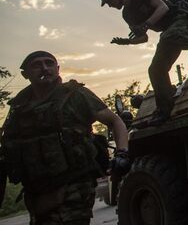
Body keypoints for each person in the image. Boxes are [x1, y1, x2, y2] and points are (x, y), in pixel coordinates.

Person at [0, 51, 129, 224]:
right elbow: (8, 145)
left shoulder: (75, 95)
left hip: (75, 184)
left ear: (58, 68)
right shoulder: (19, 107)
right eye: (36, 65)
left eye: (49, 63)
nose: (44, 68)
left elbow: (114, 121)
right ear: (26, 74)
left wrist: (122, 153)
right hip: (37, 191)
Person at [98, 0, 188, 126]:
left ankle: (164, 109)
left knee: (166, 40)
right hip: (169, 33)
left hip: (181, 20)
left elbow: (163, 7)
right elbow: (144, 38)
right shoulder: (127, 15)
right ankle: (168, 103)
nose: (110, 6)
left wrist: (146, 24)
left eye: (109, 1)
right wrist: (127, 42)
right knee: (156, 69)